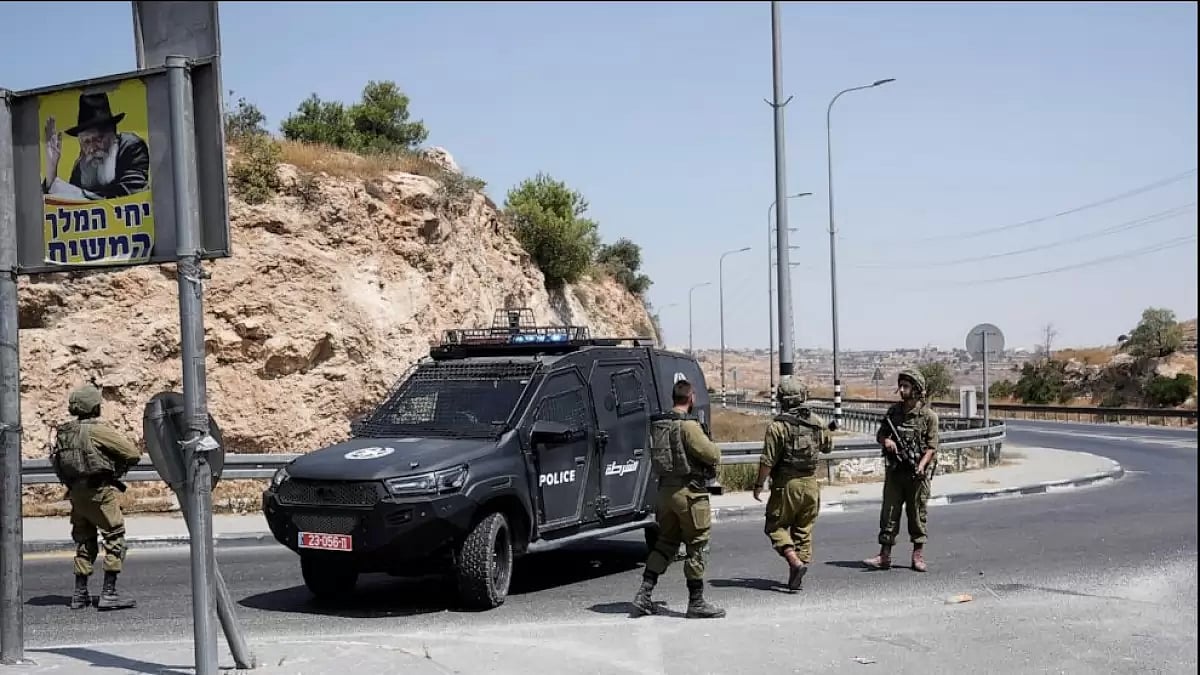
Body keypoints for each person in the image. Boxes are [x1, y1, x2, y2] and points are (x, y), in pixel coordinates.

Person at [630, 379, 725, 619]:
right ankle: (696, 602)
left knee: (665, 543)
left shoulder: (660, 424)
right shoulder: (689, 426)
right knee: (698, 545)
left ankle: (643, 595)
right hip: (689, 494)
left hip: (665, 493)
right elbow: (712, 454)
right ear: (691, 398)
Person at [50, 384, 142, 610]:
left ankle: (79, 594)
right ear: (94, 407)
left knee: (85, 540)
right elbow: (132, 453)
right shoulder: (97, 431)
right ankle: (109, 593)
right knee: (115, 537)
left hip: (76, 493)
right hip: (99, 492)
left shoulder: (65, 432)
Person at [752, 378, 833, 591]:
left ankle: (793, 561)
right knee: (803, 531)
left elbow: (767, 461)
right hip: (811, 485)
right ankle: (797, 573)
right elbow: (827, 447)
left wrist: (759, 485)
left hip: (786, 485)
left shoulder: (778, 426)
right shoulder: (817, 422)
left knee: (774, 526)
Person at [862, 369, 940, 573]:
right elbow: (880, 435)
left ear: (916, 390)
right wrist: (886, 441)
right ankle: (884, 555)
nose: (902, 390)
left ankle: (917, 555)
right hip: (895, 473)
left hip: (916, 475)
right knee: (889, 513)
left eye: (906, 386)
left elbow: (932, 447)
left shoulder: (928, 417)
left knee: (917, 514)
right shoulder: (893, 413)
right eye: (901, 386)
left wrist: (921, 466)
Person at [42, 91, 151, 201]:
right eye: (86, 142)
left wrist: (74, 193)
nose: (92, 148)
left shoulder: (132, 147)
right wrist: (51, 173)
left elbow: (128, 197)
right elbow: (71, 206)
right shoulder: (82, 166)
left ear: (113, 135)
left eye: (98, 139)